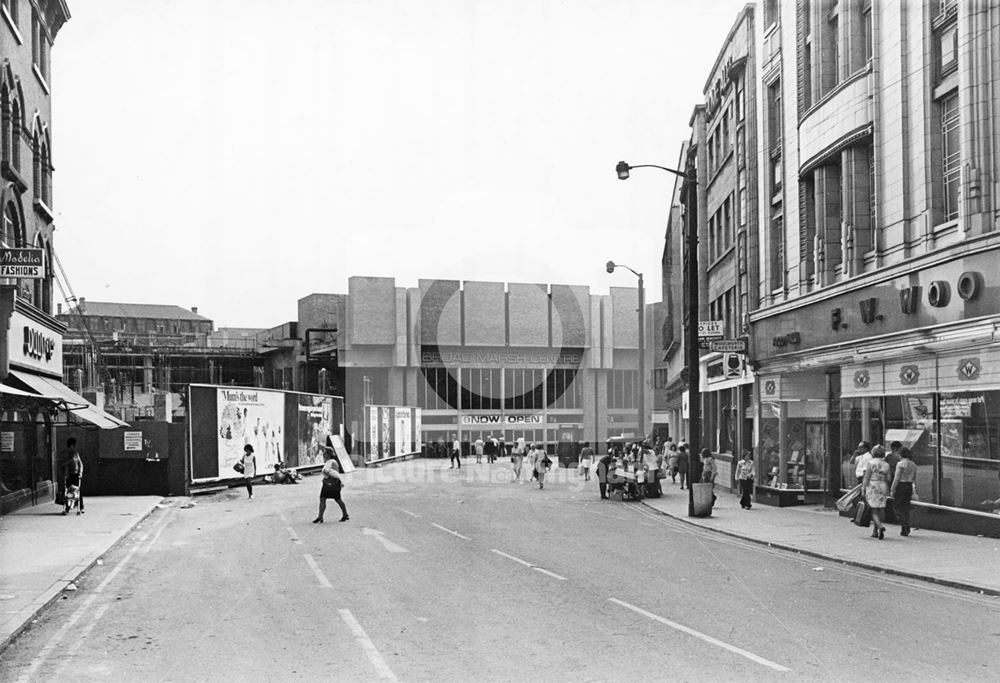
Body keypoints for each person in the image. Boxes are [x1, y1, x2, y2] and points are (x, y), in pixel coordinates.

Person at [862, 445, 891, 540]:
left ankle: (880, 526)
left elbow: (866, 477)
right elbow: (889, 478)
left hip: (872, 485)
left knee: (873, 509)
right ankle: (875, 531)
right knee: (879, 509)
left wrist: (863, 488)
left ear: (873, 453)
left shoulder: (870, 463)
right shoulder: (886, 464)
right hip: (882, 485)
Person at [313, 449, 348, 523]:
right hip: (328, 483)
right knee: (323, 498)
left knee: (337, 499)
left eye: (324, 453)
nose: (323, 454)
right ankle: (320, 517)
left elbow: (334, 473)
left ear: (328, 454)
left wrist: (326, 475)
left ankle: (345, 514)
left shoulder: (332, 462)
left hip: (332, 483)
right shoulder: (329, 462)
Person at [890, 447, 917, 536]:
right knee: (906, 506)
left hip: (901, 485)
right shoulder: (913, 464)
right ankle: (906, 525)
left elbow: (897, 478)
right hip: (909, 486)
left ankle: (904, 524)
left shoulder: (900, 464)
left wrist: (892, 489)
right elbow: (914, 479)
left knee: (897, 506)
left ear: (900, 454)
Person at [62, 438, 84, 515]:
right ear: (71, 445)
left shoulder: (76, 453)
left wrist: (80, 472)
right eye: (74, 445)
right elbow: (63, 464)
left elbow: (80, 463)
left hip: (76, 475)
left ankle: (80, 507)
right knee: (68, 491)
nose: (75, 447)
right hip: (69, 475)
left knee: (78, 490)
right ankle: (68, 506)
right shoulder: (66, 453)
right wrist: (71, 460)